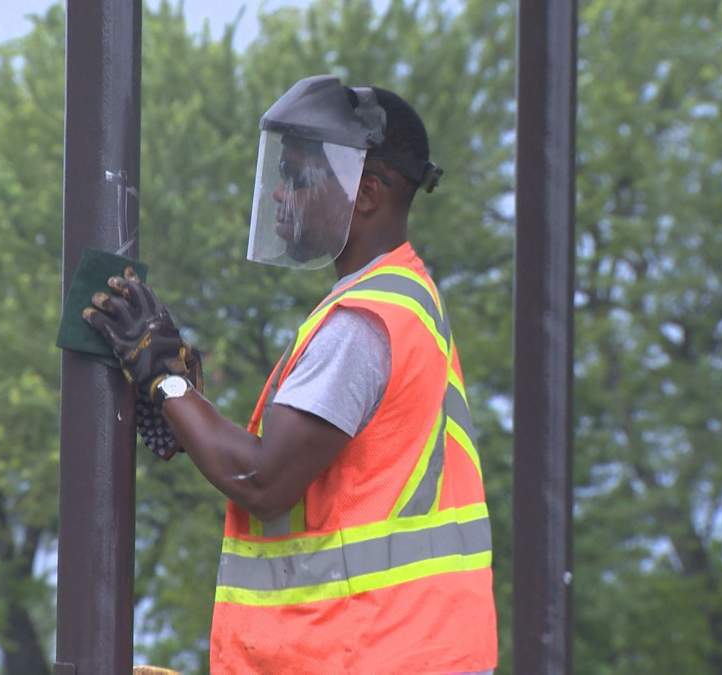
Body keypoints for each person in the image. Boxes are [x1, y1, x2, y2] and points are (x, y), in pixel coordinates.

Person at [84, 75, 497, 674]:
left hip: (382, 655)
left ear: (368, 192)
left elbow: (261, 477)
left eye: (299, 176)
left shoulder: (363, 323)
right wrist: (184, 402)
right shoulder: (394, 302)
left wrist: (163, 380)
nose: (279, 194)